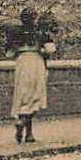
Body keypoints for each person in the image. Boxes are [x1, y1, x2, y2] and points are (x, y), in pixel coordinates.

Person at [9, 8, 54, 144]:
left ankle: (28, 133)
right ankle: (23, 122)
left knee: (23, 95)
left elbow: (10, 52)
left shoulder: (15, 32)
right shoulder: (41, 33)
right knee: (36, 96)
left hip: (22, 62)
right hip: (36, 62)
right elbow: (50, 50)